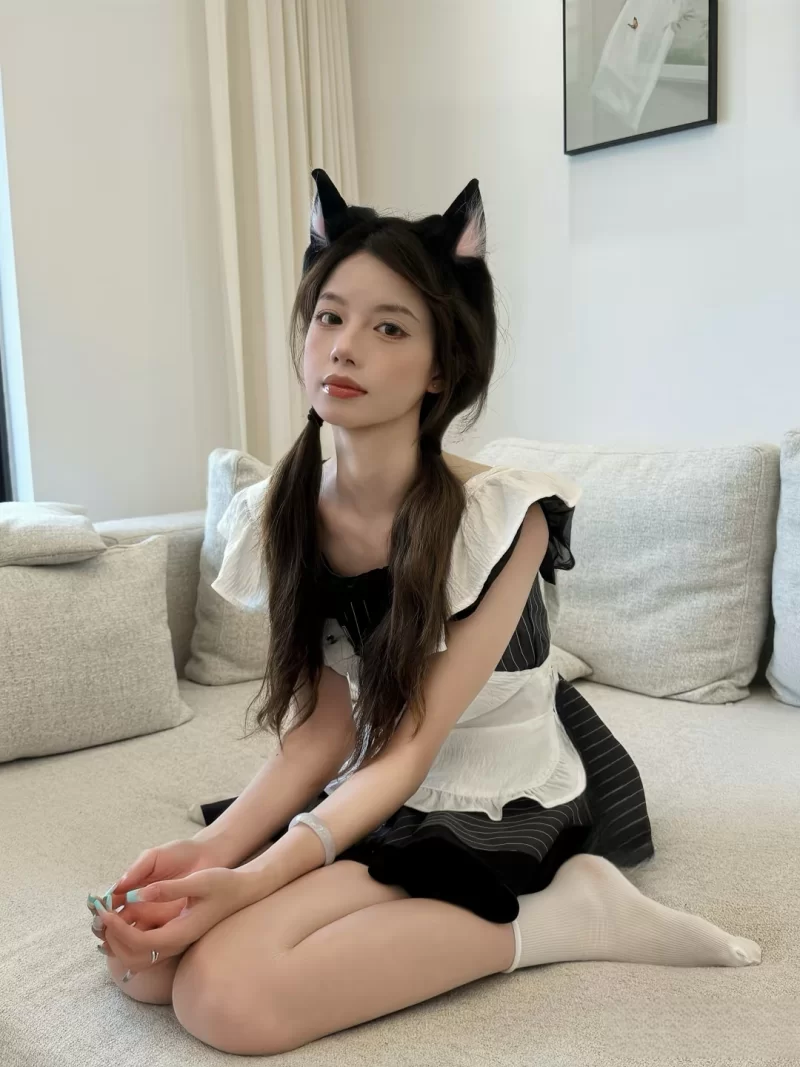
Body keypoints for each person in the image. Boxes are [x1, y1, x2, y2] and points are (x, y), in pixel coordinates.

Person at [92, 170, 761, 1054]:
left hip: (490, 788)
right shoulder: (286, 510)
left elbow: (412, 743)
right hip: (371, 777)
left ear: (442, 365)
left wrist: (252, 881)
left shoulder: (503, 518)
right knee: (142, 968)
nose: (344, 348)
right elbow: (325, 733)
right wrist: (213, 850)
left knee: (225, 997)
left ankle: (569, 915)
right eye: (329, 317)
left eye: (389, 327)